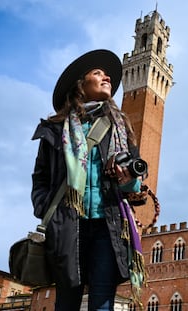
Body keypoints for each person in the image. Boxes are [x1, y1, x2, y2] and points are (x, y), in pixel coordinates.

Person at [31, 49, 147, 311]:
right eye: (98, 73)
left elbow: (135, 183)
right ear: (80, 85)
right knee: (67, 300)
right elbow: (40, 178)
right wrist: (44, 206)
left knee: (102, 301)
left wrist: (127, 179)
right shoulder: (54, 130)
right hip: (67, 225)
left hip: (108, 225)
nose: (106, 77)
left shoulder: (120, 126)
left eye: (107, 75)